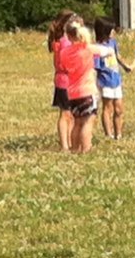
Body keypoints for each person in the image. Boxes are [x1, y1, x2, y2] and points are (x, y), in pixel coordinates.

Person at [59, 19, 115, 153]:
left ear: (68, 35)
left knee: (77, 122)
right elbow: (109, 51)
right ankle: (86, 148)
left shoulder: (64, 52)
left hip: (72, 93)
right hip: (88, 92)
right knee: (87, 122)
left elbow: (63, 67)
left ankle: (74, 148)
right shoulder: (87, 48)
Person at [93, 17, 131, 139]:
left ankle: (118, 134)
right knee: (108, 107)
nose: (114, 31)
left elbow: (117, 56)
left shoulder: (113, 42)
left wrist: (125, 65)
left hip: (116, 80)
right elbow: (95, 67)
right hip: (105, 81)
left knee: (119, 108)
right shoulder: (97, 47)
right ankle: (108, 135)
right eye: (111, 29)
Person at [47, 9, 76, 151]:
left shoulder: (60, 39)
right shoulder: (65, 41)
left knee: (70, 114)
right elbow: (64, 63)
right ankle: (65, 144)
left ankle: (69, 142)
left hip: (64, 80)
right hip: (65, 80)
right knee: (65, 114)